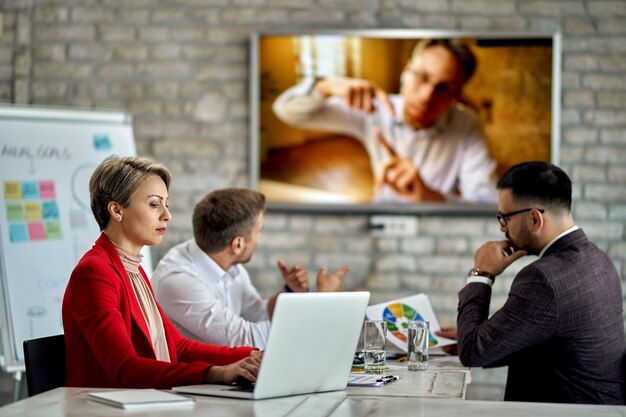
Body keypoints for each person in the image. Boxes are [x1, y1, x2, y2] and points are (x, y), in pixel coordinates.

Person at [62, 156, 262, 389]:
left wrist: (252, 355)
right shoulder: (94, 274)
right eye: (155, 204)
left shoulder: (133, 269)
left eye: (166, 204)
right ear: (116, 210)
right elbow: (125, 368)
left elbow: (177, 347)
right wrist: (216, 373)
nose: (167, 215)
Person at [454, 161, 625, 404]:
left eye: (504, 218)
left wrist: (481, 274)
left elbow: (472, 352)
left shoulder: (543, 279)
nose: (503, 228)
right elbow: (550, 337)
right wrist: (486, 333)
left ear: (535, 219)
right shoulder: (598, 259)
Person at [272, 38, 497, 204]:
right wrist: (327, 86)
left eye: (444, 88)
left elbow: (485, 202)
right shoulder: (375, 109)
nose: (426, 96)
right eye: (422, 77)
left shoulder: (467, 124)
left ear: (456, 97)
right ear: (405, 72)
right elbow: (286, 111)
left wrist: (429, 197)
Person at [152, 188, 349, 349]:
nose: (258, 239)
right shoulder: (178, 281)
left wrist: (290, 290)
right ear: (237, 245)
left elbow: (258, 313)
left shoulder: (228, 263)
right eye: (259, 231)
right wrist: (324, 302)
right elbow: (248, 339)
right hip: (188, 388)